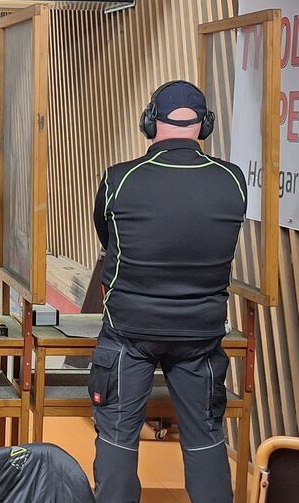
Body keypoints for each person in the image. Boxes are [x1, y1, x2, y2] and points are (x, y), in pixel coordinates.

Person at [90, 80, 246, 503]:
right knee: (206, 438)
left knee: (118, 437)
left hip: (129, 331)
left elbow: (109, 238)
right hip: (201, 334)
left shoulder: (119, 178)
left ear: (149, 121)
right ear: (205, 124)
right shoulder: (233, 180)